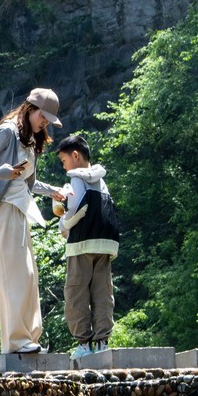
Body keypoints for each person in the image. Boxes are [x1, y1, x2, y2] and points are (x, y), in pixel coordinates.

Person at [0, 88, 65, 355]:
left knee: (29, 276)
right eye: (42, 117)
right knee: (14, 275)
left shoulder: (31, 139)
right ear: (29, 109)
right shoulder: (7, 131)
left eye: (48, 120)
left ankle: (28, 338)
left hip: (21, 207)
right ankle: (16, 342)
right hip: (3, 208)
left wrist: (54, 191)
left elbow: (30, 183)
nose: (44, 123)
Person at [54, 134, 119, 360]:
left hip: (81, 244)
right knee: (103, 292)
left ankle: (83, 345)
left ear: (75, 155)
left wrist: (62, 225)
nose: (64, 167)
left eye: (64, 161)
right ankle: (102, 342)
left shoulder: (76, 179)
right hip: (105, 244)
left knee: (76, 293)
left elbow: (75, 210)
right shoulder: (102, 180)